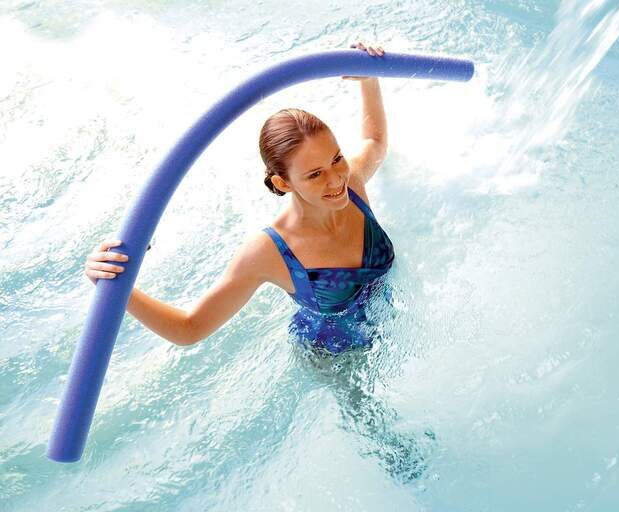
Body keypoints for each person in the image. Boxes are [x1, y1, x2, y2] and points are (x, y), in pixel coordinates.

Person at [84, 41, 393, 357]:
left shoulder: (351, 183)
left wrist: (368, 79)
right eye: (315, 174)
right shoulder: (269, 252)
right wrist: (114, 286)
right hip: (335, 357)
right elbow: (189, 329)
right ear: (282, 182)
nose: (335, 178)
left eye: (337, 158)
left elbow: (375, 142)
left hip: (389, 320)